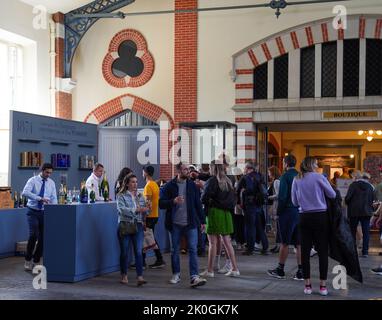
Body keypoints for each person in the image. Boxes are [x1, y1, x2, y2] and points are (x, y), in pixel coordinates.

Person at [291, 156, 336, 296]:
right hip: (320, 217)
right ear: (311, 164)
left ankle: (308, 285)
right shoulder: (319, 177)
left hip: (304, 217)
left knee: (305, 251)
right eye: (316, 163)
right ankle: (323, 286)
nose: (317, 165)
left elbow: (294, 201)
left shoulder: (297, 179)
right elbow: (332, 194)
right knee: (322, 250)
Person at [159, 162, 207, 287]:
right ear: (179, 171)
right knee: (175, 250)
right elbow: (161, 203)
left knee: (192, 249)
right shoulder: (169, 186)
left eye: (188, 169)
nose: (188, 171)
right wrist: (173, 201)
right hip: (174, 223)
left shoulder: (192, 186)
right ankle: (176, 274)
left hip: (190, 223)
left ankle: (194, 276)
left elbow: (198, 205)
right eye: (185, 169)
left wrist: (202, 221)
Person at [200, 160, 240, 277]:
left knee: (212, 243)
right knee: (227, 242)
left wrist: (203, 188)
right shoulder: (229, 181)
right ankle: (234, 268)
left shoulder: (212, 181)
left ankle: (210, 270)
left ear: (213, 168)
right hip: (226, 214)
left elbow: (203, 198)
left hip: (214, 213)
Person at [268, 155, 303, 280]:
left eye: (283, 162)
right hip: (300, 212)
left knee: (284, 242)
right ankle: (301, 271)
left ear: (286, 164)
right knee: (299, 244)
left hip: (287, 212)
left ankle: (280, 270)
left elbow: (282, 197)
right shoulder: (301, 175)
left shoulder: (285, 177)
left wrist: (278, 212)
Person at [22, 163, 57, 270]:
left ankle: (36, 260)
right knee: (34, 235)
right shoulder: (32, 180)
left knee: (43, 238)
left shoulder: (51, 183)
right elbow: (25, 192)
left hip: (44, 212)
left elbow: (54, 197)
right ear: (41, 170)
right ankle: (28, 260)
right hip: (32, 211)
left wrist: (54, 208)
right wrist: (39, 198)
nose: (48, 175)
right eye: (47, 172)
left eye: (50, 173)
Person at [116, 173, 149, 286]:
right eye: (133, 182)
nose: (135, 184)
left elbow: (145, 211)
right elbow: (121, 210)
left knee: (139, 252)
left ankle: (140, 277)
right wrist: (137, 210)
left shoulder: (140, 196)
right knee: (124, 252)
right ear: (127, 183)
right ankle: (124, 276)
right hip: (125, 225)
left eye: (136, 182)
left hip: (138, 225)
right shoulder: (121, 195)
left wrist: (147, 209)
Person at [237, 161, 268, 255]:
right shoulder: (260, 176)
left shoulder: (245, 178)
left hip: (249, 205)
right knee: (259, 226)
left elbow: (239, 191)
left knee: (250, 227)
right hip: (259, 205)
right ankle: (265, 247)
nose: (244, 169)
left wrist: (241, 196)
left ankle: (250, 249)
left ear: (248, 168)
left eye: (245, 168)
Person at [345, 172, 376, 258]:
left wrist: (348, 202)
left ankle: (352, 251)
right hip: (366, 212)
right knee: (366, 232)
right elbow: (373, 200)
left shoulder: (353, 185)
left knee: (352, 231)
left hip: (354, 212)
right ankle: (365, 252)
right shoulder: (370, 187)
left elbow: (347, 198)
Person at [142, 165, 165, 268]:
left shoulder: (148, 186)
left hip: (149, 216)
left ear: (146, 173)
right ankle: (144, 260)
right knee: (148, 238)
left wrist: (143, 216)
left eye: (143, 172)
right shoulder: (155, 184)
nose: (142, 174)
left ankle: (157, 259)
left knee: (147, 238)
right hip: (155, 215)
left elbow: (148, 204)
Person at [267, 166, 281, 253]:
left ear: (272, 173)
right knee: (274, 228)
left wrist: (268, 197)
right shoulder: (276, 181)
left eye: (269, 172)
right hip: (273, 206)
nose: (268, 174)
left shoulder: (276, 181)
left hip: (275, 206)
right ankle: (277, 245)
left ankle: (278, 245)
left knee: (275, 228)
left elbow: (278, 195)